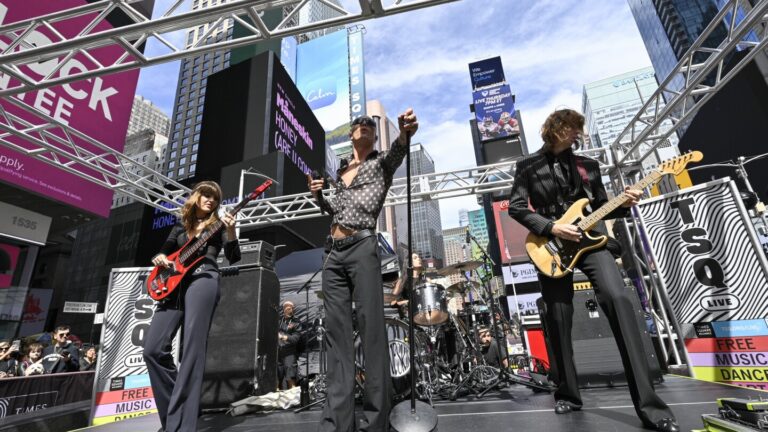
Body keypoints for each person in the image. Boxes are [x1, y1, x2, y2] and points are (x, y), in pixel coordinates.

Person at [507, 108, 678, 432]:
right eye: (571, 127)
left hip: (592, 241)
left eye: (578, 128)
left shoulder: (588, 166)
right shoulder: (527, 165)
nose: (577, 133)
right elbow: (516, 207)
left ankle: (652, 408)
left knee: (618, 299)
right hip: (550, 246)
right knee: (558, 317)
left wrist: (623, 204)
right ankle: (568, 394)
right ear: (555, 128)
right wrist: (552, 227)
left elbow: (602, 206)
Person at [308, 109, 418, 432]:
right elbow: (333, 209)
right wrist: (318, 194)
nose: (365, 126)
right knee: (337, 337)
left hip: (362, 246)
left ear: (374, 135)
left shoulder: (381, 162)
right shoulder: (342, 170)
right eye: (359, 124)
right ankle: (338, 423)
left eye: (370, 124)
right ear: (351, 134)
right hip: (333, 252)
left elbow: (398, 151)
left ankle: (375, 422)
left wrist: (405, 133)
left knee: (371, 332)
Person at [143, 180, 241, 432]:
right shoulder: (180, 225)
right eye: (206, 195)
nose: (211, 200)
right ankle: (175, 416)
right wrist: (160, 257)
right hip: (173, 286)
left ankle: (181, 426)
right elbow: (164, 252)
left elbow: (233, 257)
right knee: (153, 350)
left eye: (215, 198)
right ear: (196, 197)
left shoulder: (218, 225)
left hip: (203, 277)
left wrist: (231, 230)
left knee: (192, 351)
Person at [277, 300, 302, 389]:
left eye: (291, 308)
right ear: (283, 309)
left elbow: (296, 338)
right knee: (276, 379)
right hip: (278, 352)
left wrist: (284, 337)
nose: (289, 310)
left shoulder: (296, 322)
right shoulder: (279, 320)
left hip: (289, 353)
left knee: (290, 378)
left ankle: (293, 396)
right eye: (287, 308)